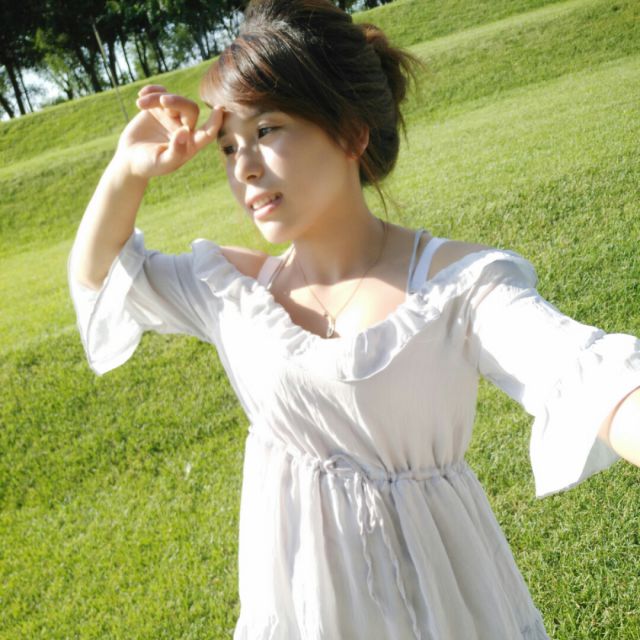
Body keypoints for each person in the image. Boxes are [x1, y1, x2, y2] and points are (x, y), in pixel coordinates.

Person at [68, 0, 640, 637]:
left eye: (267, 130)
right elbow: (102, 278)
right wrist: (127, 171)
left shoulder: (453, 285)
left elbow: (581, 368)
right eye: (227, 147)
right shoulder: (233, 292)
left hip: (446, 610)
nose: (244, 167)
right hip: (304, 615)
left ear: (351, 133)